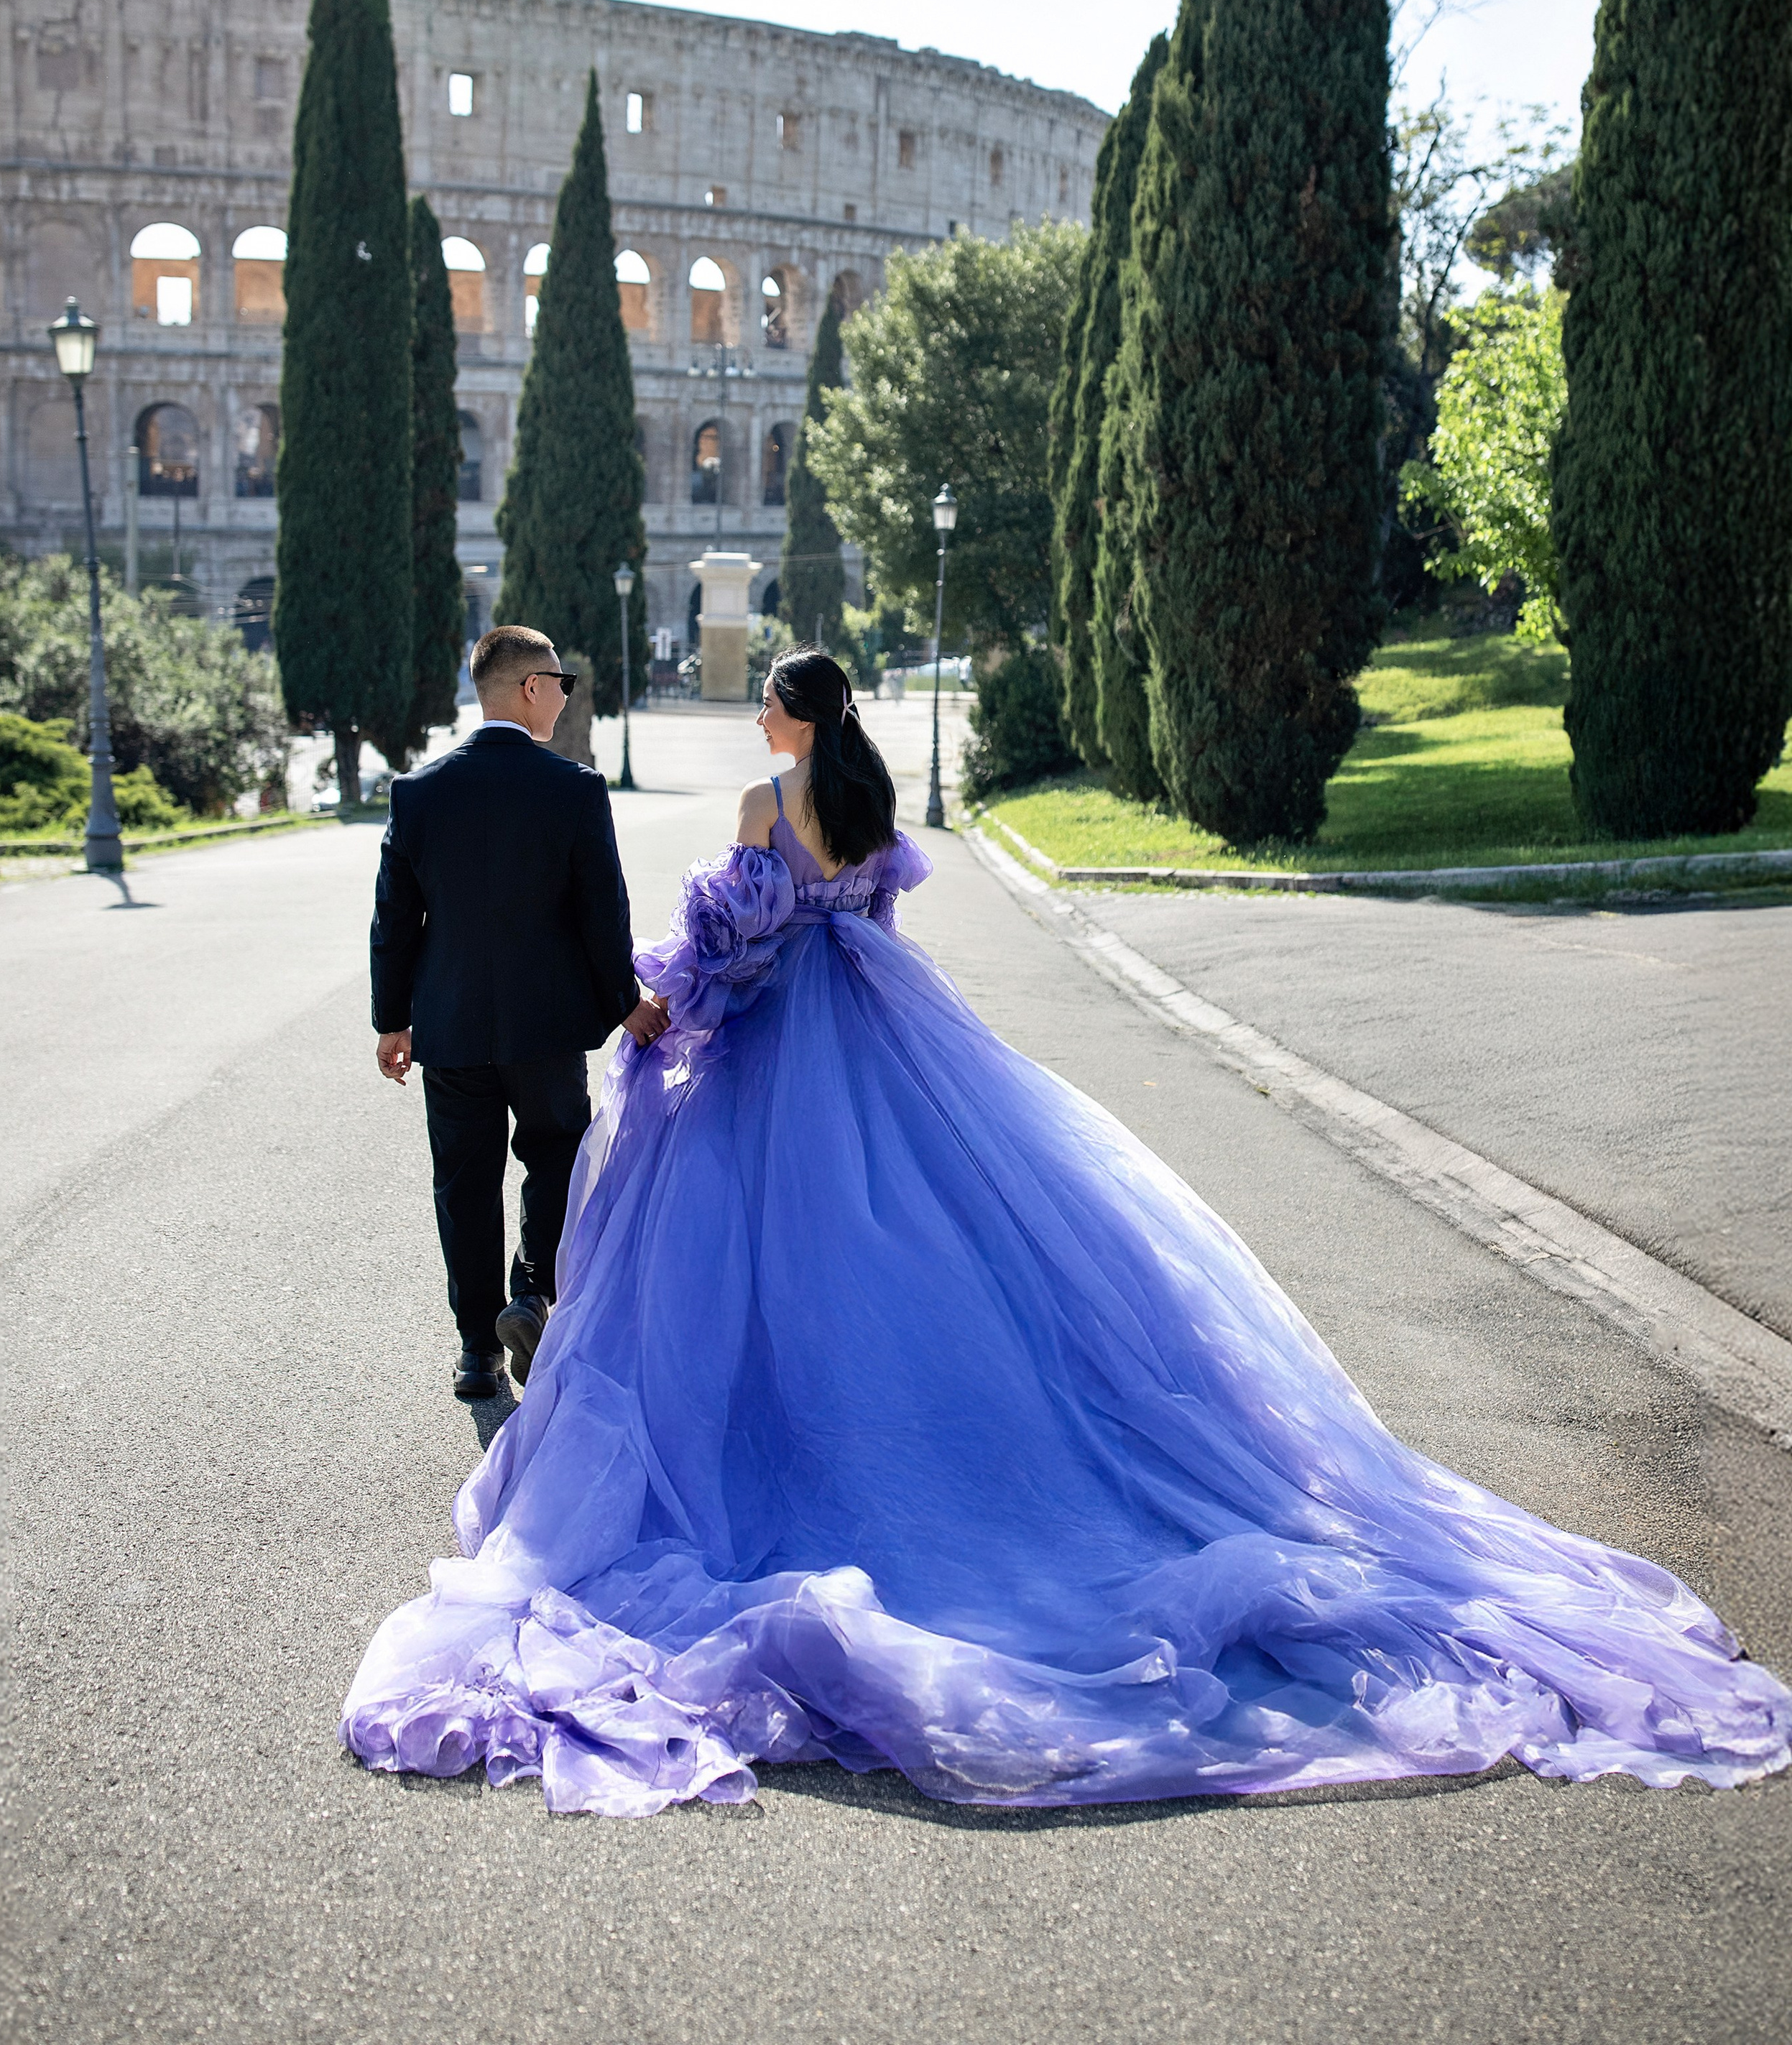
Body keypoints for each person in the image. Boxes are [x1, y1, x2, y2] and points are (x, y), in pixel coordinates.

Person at [344, 650, 1792, 1816]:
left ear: (781, 712)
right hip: (880, 1041)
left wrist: (674, 1007)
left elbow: (733, 944)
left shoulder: (755, 804)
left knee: (758, 1279)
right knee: (933, 1245)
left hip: (775, 1054)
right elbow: (874, 937)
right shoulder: (866, 807)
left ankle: (751, 1427)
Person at [369, 623, 668, 1402]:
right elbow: (603, 911)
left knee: (463, 1182)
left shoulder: (420, 791)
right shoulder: (573, 787)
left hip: (451, 1023)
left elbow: (394, 918)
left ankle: (477, 1351)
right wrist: (625, 1002)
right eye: (559, 681)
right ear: (531, 688)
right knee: (557, 1160)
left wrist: (391, 1020)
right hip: (547, 1025)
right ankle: (531, 1292)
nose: (565, 695)